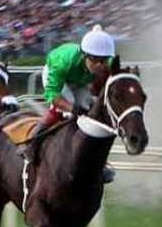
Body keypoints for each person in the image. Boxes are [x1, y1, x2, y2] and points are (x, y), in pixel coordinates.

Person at [20, 25, 115, 181]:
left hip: (78, 79)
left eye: (104, 61)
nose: (100, 65)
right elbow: (52, 95)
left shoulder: (108, 64)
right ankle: (32, 142)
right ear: (85, 56)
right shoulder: (64, 61)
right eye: (95, 60)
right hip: (56, 76)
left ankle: (97, 162)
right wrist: (72, 108)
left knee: (89, 108)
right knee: (67, 108)